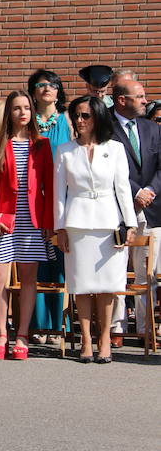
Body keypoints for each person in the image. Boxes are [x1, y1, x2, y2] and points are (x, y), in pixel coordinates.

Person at [55, 95, 137, 363]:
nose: (79, 121)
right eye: (76, 116)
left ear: (98, 117)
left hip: (108, 222)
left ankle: (104, 338)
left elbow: (122, 188)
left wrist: (130, 223)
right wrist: (60, 228)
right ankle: (86, 340)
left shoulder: (115, 148)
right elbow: (59, 193)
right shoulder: (65, 150)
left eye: (85, 116)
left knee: (106, 285)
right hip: (76, 223)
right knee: (81, 284)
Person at [0, 91, 55, 360]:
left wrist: (48, 222)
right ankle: (2, 334)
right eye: (16, 108)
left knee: (28, 279)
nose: (22, 113)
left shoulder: (42, 144)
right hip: (4, 219)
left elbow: (49, 185)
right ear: (8, 113)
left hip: (32, 221)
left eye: (26, 108)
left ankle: (22, 335)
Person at [107, 79, 161, 344]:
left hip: (151, 208)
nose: (145, 101)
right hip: (117, 209)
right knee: (116, 269)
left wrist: (149, 190)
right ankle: (116, 328)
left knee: (146, 272)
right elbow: (106, 166)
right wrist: (135, 191)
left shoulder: (152, 128)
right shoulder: (104, 126)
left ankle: (145, 328)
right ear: (121, 100)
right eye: (139, 96)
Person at [27, 68, 73, 342]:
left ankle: (59, 326)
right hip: (32, 198)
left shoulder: (68, 119)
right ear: (33, 91)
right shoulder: (26, 120)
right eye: (41, 84)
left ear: (59, 91)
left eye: (53, 84)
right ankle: (37, 324)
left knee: (59, 259)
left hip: (61, 196)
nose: (47, 88)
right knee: (35, 258)